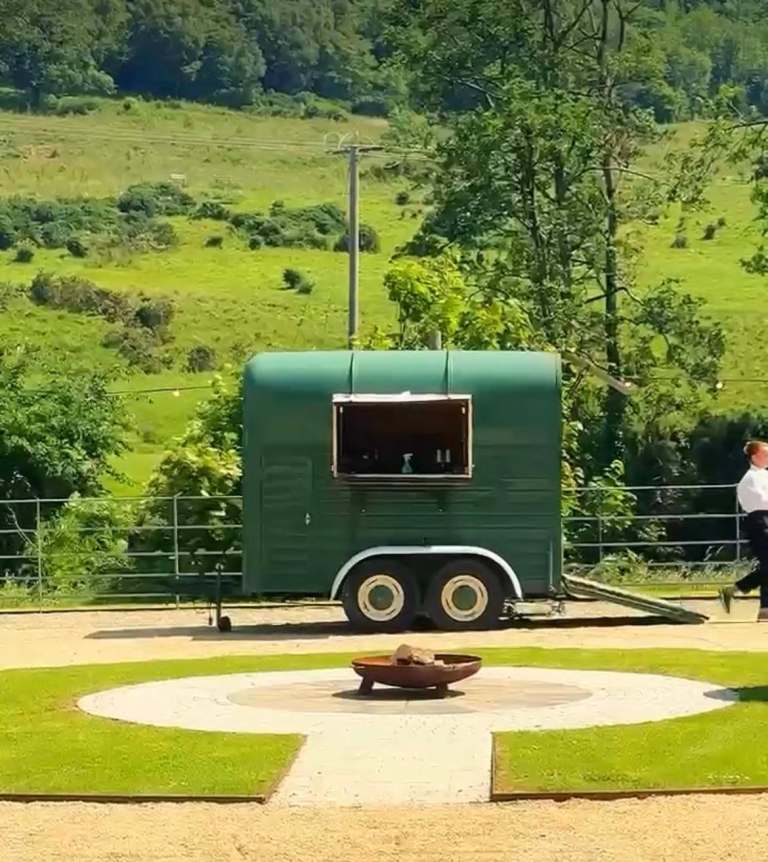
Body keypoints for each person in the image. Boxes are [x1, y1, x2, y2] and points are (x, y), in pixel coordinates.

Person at [720, 440, 768, 621]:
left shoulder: (764, 475)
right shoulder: (749, 479)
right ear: (754, 457)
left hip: (764, 519)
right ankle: (739, 591)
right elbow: (761, 502)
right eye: (765, 454)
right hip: (760, 521)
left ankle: (763, 607)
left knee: (767, 566)